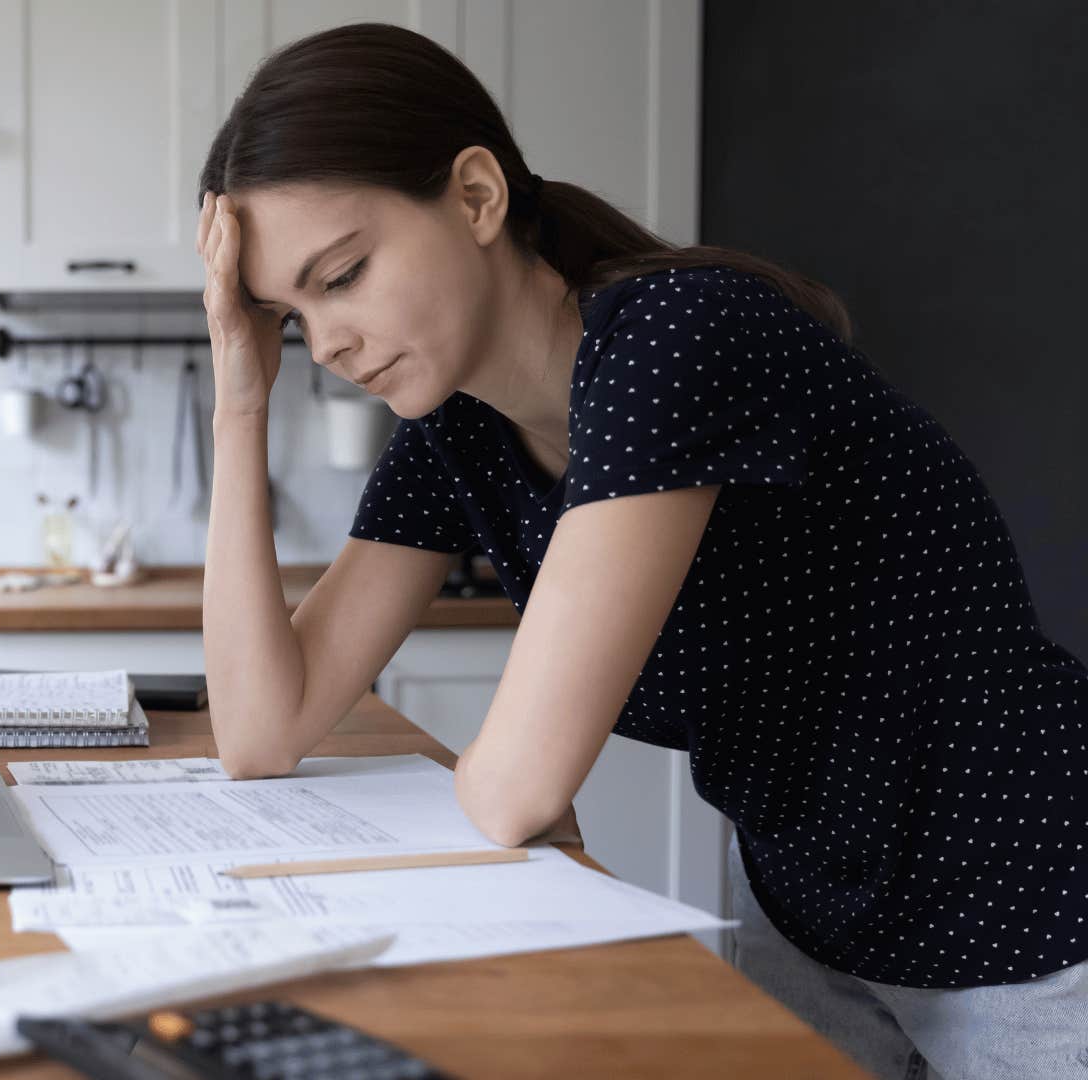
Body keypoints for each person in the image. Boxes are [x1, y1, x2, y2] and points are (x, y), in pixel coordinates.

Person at [194, 22, 1088, 1080]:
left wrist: (508, 773)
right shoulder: (457, 431)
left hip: (1025, 899)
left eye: (339, 275)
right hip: (808, 909)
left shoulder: (677, 337)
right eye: (284, 313)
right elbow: (259, 731)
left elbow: (517, 789)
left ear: (477, 197)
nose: (325, 342)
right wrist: (238, 399)